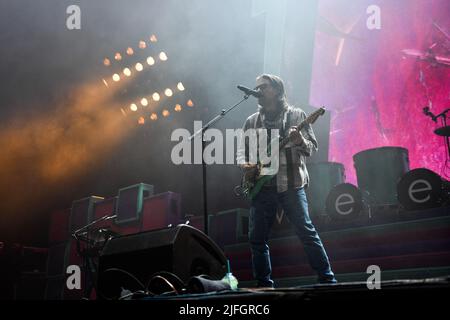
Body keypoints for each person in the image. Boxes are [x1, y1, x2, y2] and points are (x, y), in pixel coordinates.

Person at [237, 74, 336, 288]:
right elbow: (241, 153)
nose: (258, 91)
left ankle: (327, 279)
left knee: (305, 231)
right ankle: (264, 285)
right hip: (262, 188)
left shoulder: (297, 116)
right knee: (257, 240)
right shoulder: (251, 121)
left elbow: (311, 148)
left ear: (276, 89)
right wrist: (246, 166)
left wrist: (300, 139)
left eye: (263, 87)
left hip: (291, 184)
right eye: (256, 87)